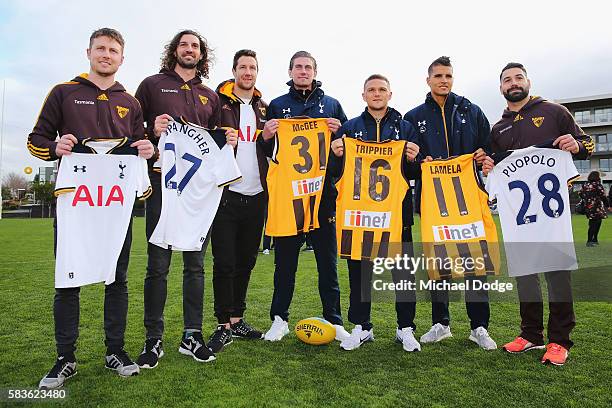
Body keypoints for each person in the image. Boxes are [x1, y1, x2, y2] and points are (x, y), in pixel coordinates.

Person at [29, 28, 155, 389]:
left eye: (113, 50)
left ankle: (115, 350)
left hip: (115, 209)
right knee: (68, 280)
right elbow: (35, 139)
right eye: (101, 48)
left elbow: (139, 145)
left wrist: (148, 150)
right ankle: (65, 357)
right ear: (89, 52)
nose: (106, 54)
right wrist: (56, 146)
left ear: (121, 58)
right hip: (75, 206)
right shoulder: (64, 92)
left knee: (117, 280)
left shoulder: (130, 102)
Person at [134, 30, 237, 368]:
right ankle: (154, 338)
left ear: (201, 54)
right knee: (158, 264)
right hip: (164, 184)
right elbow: (135, 133)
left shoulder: (210, 95)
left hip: (198, 193)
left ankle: (192, 334)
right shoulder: (151, 85)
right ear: (174, 50)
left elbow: (218, 143)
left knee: (195, 264)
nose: (189, 50)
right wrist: (152, 129)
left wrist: (229, 138)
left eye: (195, 46)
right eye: (184, 44)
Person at [483, 62, 593, 365]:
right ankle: (530, 334)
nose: (513, 83)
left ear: (528, 81)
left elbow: (588, 143)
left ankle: (560, 340)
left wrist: (576, 145)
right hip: (519, 218)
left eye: (518, 77)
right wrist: (489, 166)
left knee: (558, 274)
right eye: (507, 80)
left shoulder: (555, 111)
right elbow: (494, 165)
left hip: (551, 215)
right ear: (501, 88)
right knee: (525, 275)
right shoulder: (499, 128)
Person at [404, 56, 496, 350]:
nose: (444, 80)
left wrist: (483, 155)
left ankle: (479, 326)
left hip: (469, 198)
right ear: (428, 79)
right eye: (439, 76)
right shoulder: (413, 116)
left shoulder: (471, 109)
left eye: (448, 76)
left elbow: (490, 147)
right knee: (439, 263)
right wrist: (420, 162)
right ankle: (440, 323)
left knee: (474, 264)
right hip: (434, 202)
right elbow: (407, 165)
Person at [261, 51, 349, 341]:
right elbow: (268, 154)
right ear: (290, 71)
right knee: (285, 263)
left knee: (328, 263)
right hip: (291, 198)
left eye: (308, 67)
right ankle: (278, 319)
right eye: (298, 67)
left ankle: (334, 320)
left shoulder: (332, 105)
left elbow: (349, 149)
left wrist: (340, 136)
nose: (303, 71)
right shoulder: (277, 105)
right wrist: (267, 136)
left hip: (323, 196)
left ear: (315, 71)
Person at [329, 74, 421, 351]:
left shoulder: (406, 128)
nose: (377, 94)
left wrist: (414, 159)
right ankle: (361, 326)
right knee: (359, 275)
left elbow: (416, 174)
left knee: (403, 274)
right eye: (371, 90)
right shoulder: (349, 128)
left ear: (390, 94)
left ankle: (405, 328)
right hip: (360, 215)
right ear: (363, 95)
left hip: (396, 214)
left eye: (382, 89)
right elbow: (334, 174)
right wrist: (335, 153)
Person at [207, 49, 268, 352]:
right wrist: (220, 136)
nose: (247, 72)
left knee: (246, 261)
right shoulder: (216, 103)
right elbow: (202, 136)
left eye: (252, 67)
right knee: (225, 262)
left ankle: (237, 318)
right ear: (233, 71)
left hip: (257, 195)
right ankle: (221, 325)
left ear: (257, 72)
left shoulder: (264, 108)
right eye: (242, 67)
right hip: (226, 195)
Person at [580, 171, 607, 246]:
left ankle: (594, 239)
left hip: (588, 207)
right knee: (596, 223)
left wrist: (587, 200)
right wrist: (608, 205)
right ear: (597, 177)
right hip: (596, 207)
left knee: (593, 223)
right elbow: (603, 196)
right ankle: (590, 241)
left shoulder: (585, 185)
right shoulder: (597, 185)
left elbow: (580, 193)